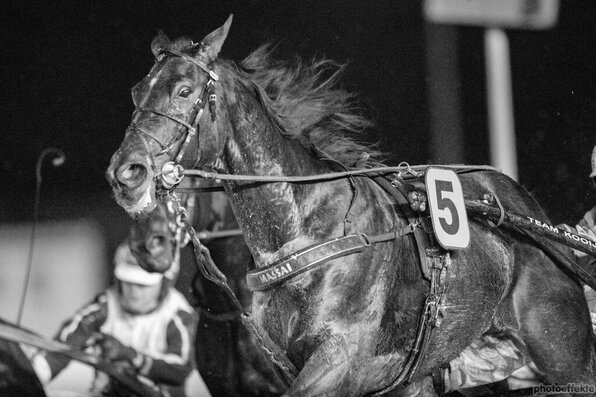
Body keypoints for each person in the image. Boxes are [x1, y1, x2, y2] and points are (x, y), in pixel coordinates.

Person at [434, 144, 596, 395]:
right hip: (572, 352)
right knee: (541, 328)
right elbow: (571, 240)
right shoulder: (590, 225)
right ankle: (446, 373)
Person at [28, 241, 205, 397]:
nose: (134, 293)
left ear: (165, 282)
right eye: (128, 282)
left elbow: (180, 370)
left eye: (143, 285)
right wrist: (29, 377)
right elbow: (59, 351)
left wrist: (131, 356)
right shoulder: (102, 307)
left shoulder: (178, 315)